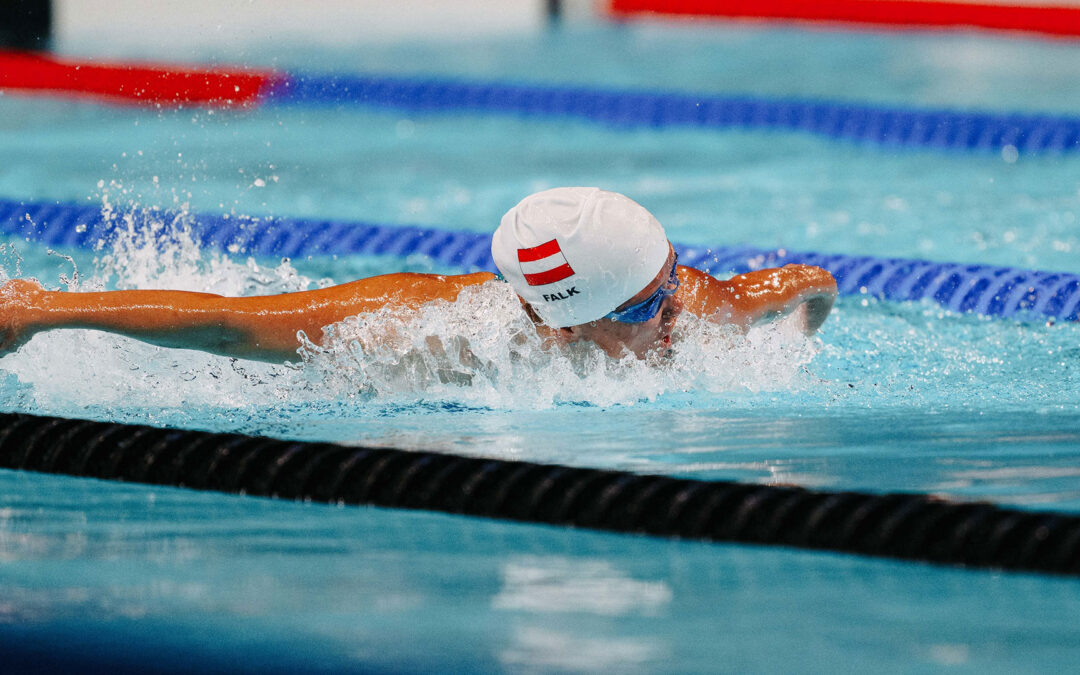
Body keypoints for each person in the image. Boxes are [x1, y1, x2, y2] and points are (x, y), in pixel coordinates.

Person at [0, 188, 837, 364]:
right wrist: (41, 309)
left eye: (673, 273)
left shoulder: (700, 307)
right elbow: (230, 321)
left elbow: (812, 281)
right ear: (565, 321)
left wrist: (800, 337)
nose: (673, 309)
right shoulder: (428, 326)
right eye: (651, 298)